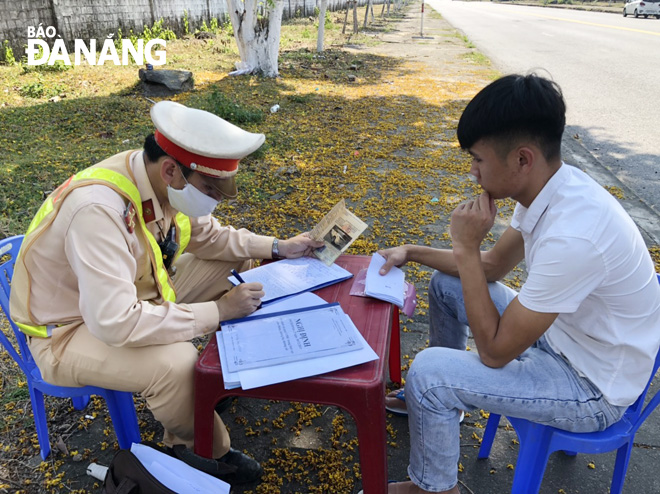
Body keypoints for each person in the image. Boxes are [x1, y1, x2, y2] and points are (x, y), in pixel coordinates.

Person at [9, 100, 322, 484]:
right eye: (209, 190)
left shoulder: (159, 178)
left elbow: (211, 238)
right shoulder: (99, 211)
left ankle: (203, 395)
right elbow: (115, 322)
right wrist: (219, 311)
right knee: (176, 363)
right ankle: (203, 447)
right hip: (68, 329)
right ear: (172, 169)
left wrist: (279, 247)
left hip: (133, 294)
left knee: (237, 265)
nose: (213, 201)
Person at [375, 74, 660, 494]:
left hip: (592, 388)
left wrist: (465, 246)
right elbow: (491, 267)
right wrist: (411, 251)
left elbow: (493, 351)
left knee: (430, 373)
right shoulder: (552, 188)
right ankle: (442, 409)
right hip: (567, 338)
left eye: (478, 160)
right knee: (444, 284)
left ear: (522, 159)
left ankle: (434, 487)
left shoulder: (574, 236)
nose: (473, 173)